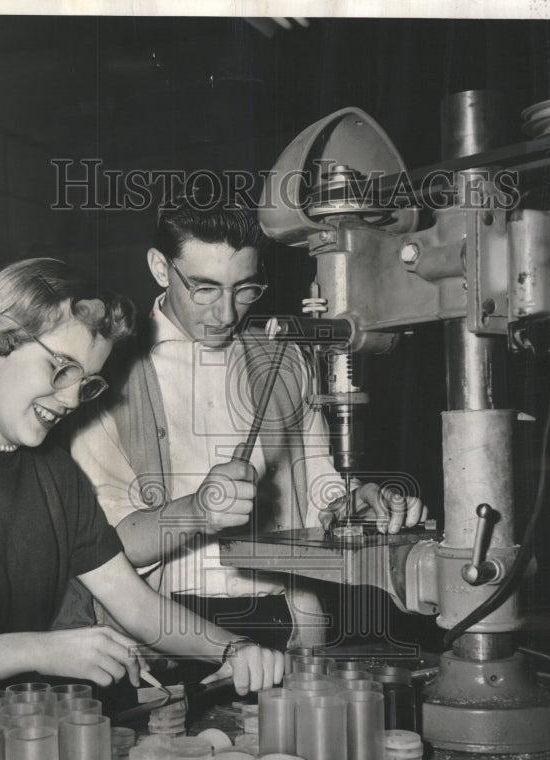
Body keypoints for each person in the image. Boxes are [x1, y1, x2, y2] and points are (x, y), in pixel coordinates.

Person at [0, 258, 283, 760]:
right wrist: (38, 650)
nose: (71, 399)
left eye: (88, 382)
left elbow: (135, 605)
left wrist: (233, 646)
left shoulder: (55, 473)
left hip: (6, 756)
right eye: (60, 368)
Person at [70, 197, 426, 660]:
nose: (226, 314)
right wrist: (197, 512)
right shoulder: (109, 372)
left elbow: (321, 490)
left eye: (244, 289)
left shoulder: (282, 359)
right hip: (162, 633)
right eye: (204, 288)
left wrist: (357, 504)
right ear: (160, 267)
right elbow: (105, 549)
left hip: (289, 623)